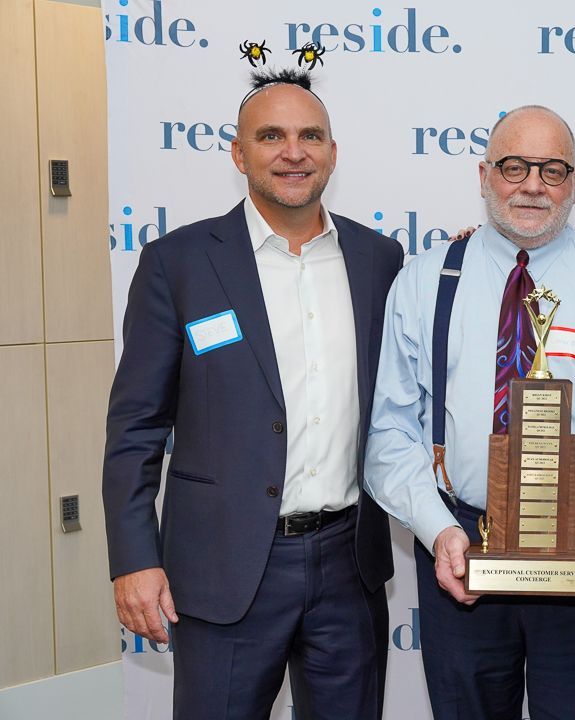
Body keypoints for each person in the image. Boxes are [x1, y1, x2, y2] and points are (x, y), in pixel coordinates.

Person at [363, 105, 575, 720]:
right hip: (461, 546)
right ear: (484, 174)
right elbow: (390, 431)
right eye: (514, 167)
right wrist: (439, 532)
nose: (532, 185)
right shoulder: (426, 281)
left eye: (552, 170)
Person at [102, 68, 403, 719]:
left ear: (332, 151)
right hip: (223, 571)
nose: (293, 152)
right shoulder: (177, 263)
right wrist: (133, 559)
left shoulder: (381, 260)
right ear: (239, 153)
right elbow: (135, 429)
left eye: (310, 136)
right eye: (271, 136)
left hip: (348, 566)